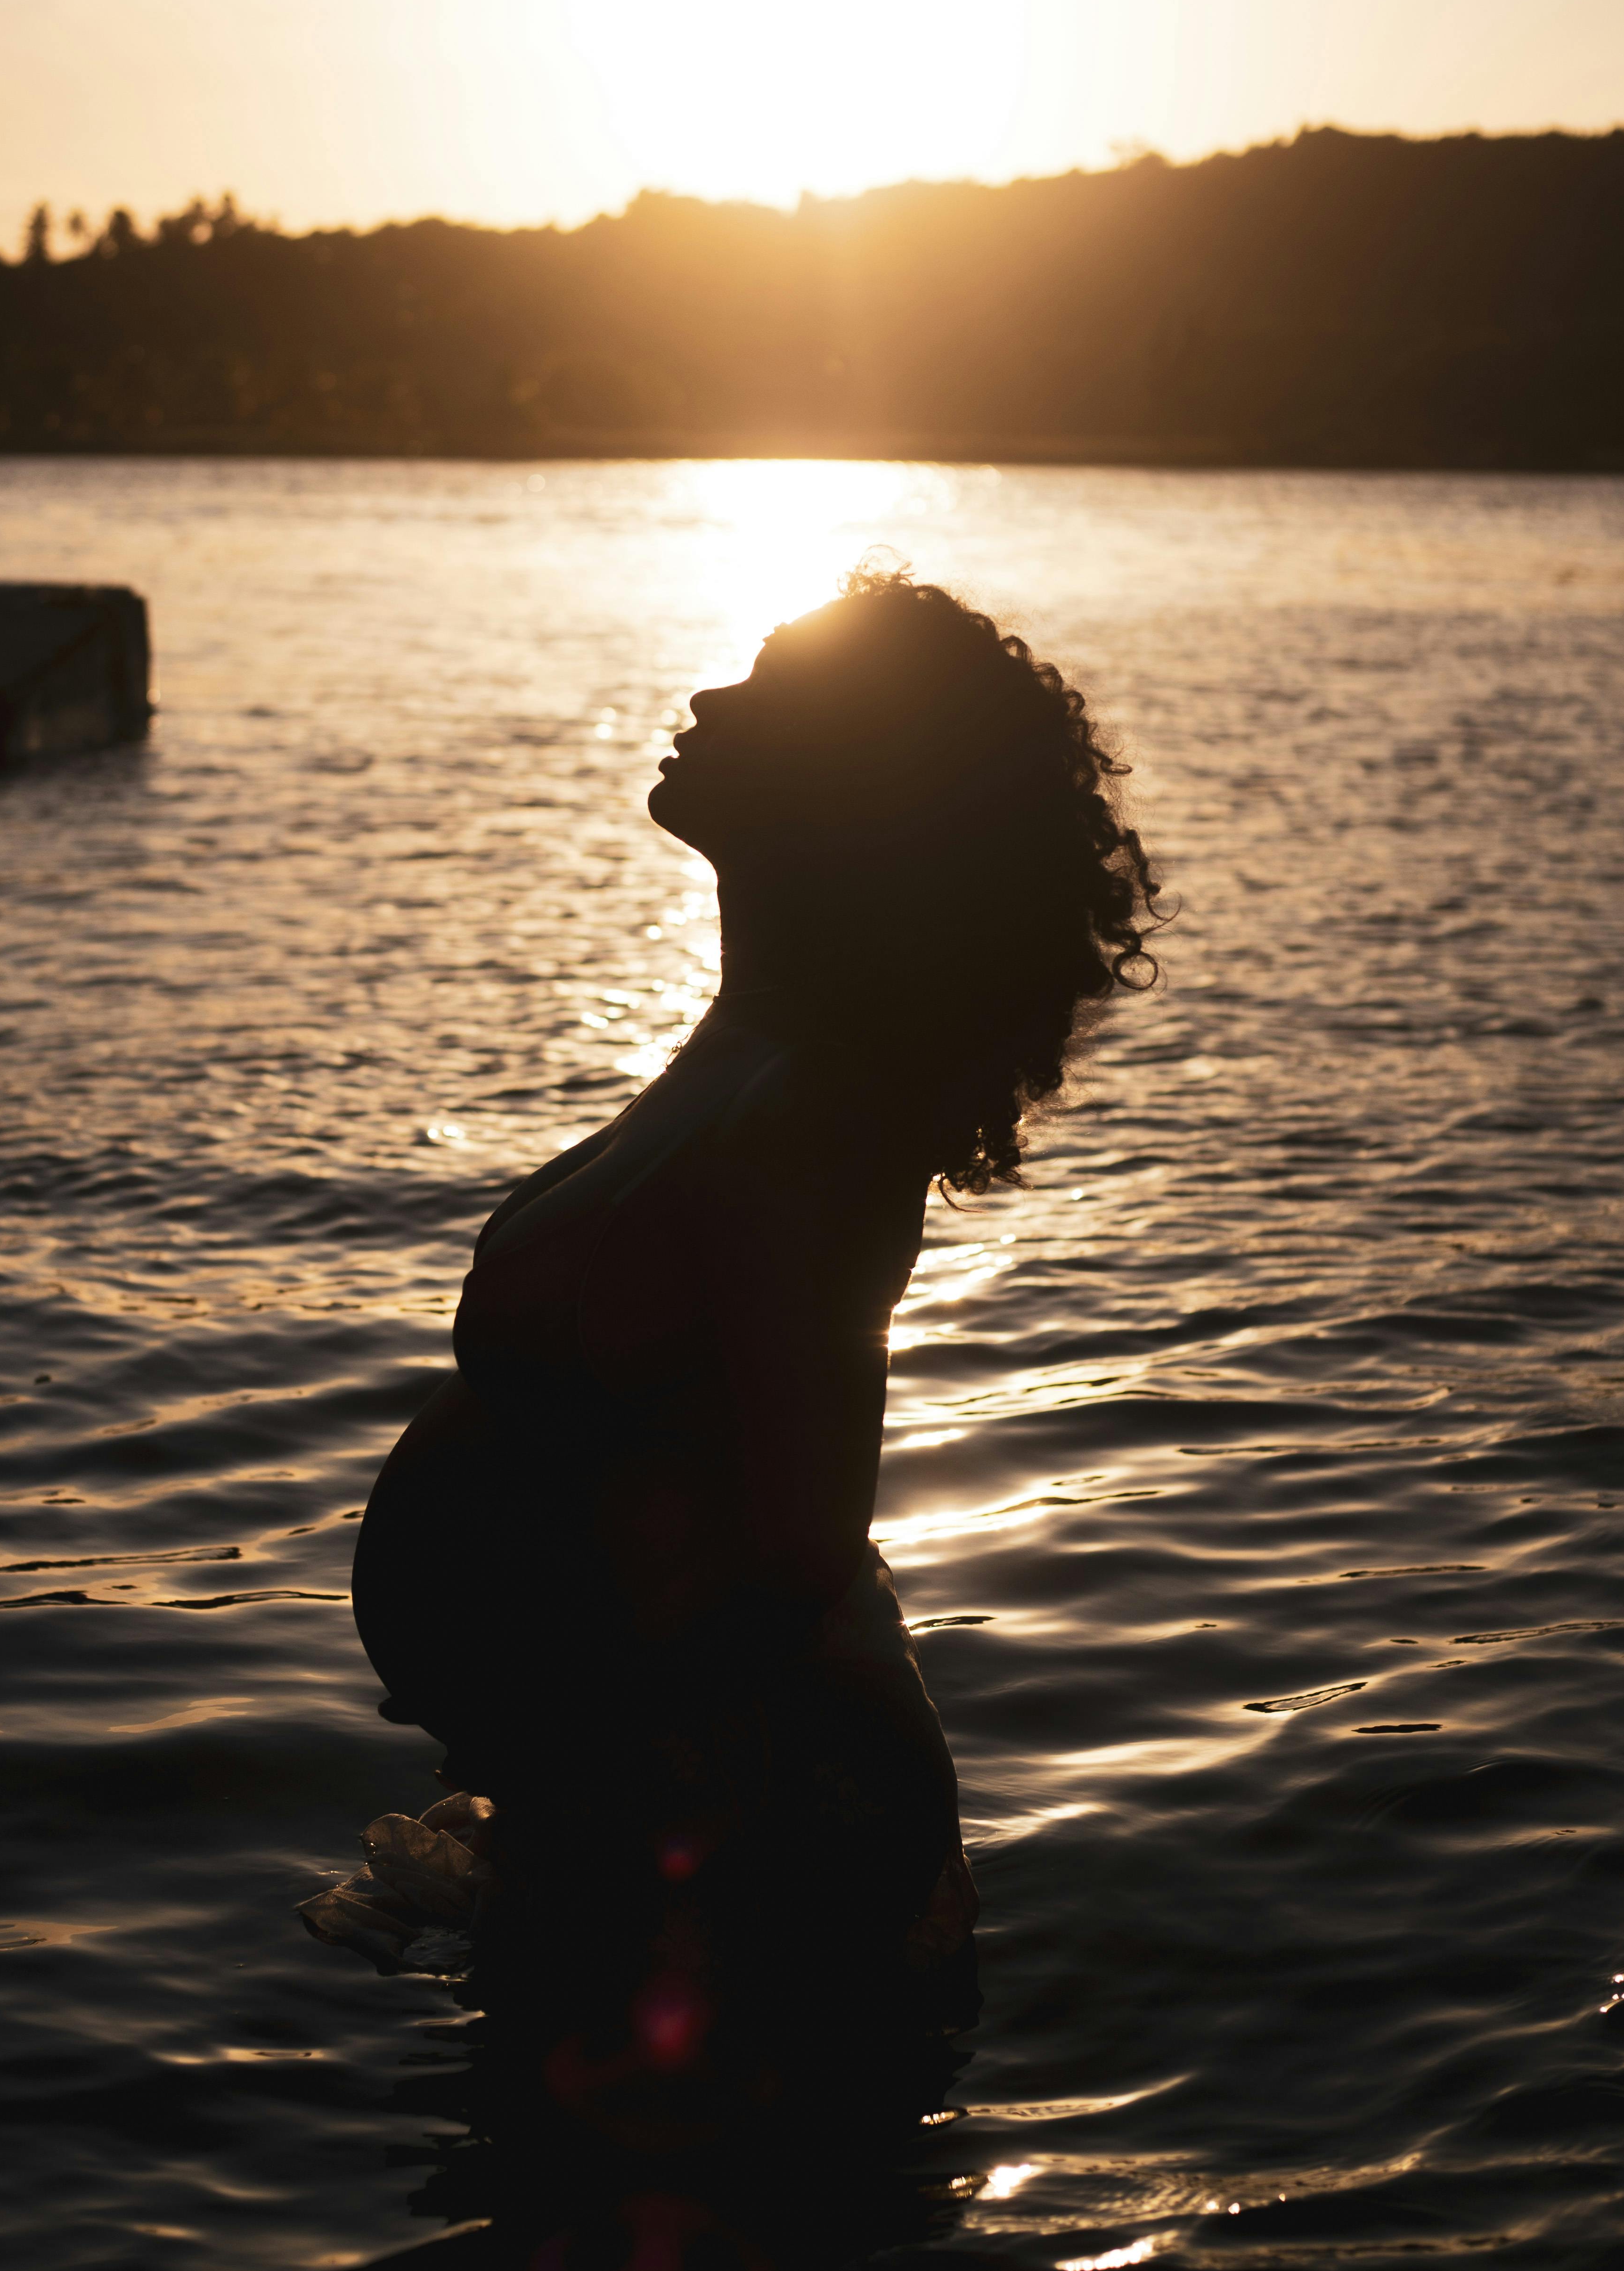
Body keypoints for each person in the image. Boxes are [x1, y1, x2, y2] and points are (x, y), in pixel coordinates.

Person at [350, 565, 1160, 2014]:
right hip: (646, 1802)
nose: (709, 701)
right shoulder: (753, 1045)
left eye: (767, 695)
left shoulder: (819, 1108)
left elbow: (796, 1545)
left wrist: (579, 1763)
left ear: (857, 787)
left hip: (748, 1840)